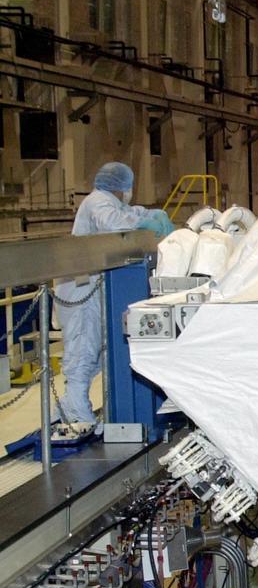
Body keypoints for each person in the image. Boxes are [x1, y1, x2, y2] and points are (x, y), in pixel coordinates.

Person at [53, 163, 174, 430]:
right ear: (122, 186)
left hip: (91, 288)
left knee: (95, 351)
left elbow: (128, 212)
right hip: (80, 290)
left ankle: (66, 406)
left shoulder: (109, 202)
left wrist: (151, 213)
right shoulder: (98, 202)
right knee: (83, 349)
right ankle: (76, 415)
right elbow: (112, 222)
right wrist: (143, 222)